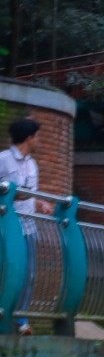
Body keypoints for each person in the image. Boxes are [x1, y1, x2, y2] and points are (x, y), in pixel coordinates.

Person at [0, 118, 47, 335]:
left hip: (28, 228)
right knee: (6, 271)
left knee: (28, 275)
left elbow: (31, 194)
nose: (39, 141)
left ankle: (21, 319)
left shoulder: (32, 164)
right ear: (29, 138)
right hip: (7, 228)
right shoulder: (3, 160)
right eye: (37, 137)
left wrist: (40, 202)